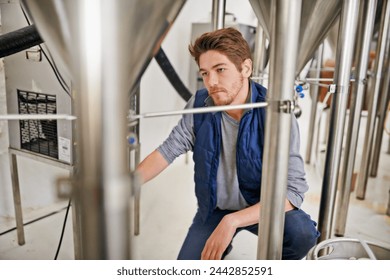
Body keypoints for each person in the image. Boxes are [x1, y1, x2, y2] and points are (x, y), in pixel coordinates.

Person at [136, 27, 320, 260]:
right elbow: (168, 150)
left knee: (302, 234)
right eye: (204, 73)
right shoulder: (201, 103)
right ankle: (222, 244)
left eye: (220, 70)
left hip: (260, 206)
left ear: (245, 68)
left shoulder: (274, 111)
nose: (211, 82)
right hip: (214, 209)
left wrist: (232, 221)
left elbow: (293, 192)